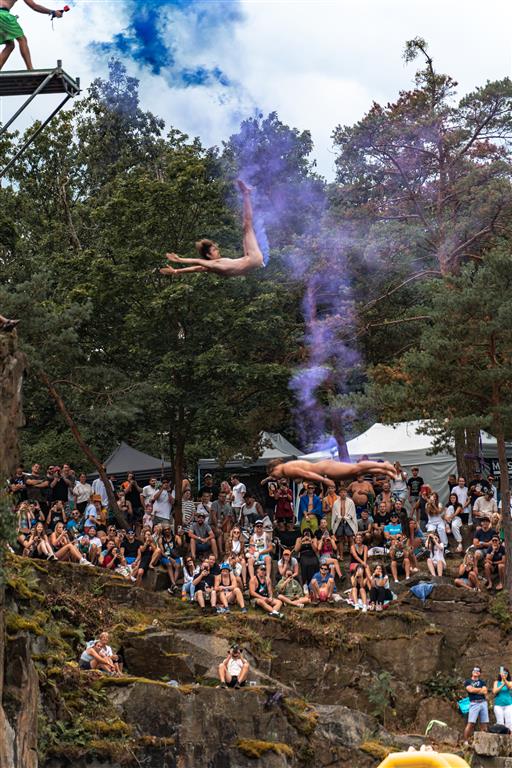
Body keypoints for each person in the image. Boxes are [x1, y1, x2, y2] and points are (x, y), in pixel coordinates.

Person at [161, 180, 264, 277]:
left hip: (249, 259)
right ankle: (246, 193)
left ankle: (246, 193)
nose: (218, 250)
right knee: (247, 225)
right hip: (253, 259)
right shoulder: (215, 265)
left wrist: (177, 271)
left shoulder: (213, 265)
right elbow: (198, 262)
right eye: (214, 250)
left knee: (245, 230)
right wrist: (179, 260)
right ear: (209, 255)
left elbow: (197, 268)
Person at [0, 0, 63, 71]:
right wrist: (53, 12)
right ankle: (30, 69)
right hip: (3, 15)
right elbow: (34, 6)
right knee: (22, 39)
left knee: (10, 45)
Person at [266, 457, 396, 486]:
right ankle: (384, 470)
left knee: (356, 468)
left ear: (275, 468)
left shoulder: (286, 469)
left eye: (273, 475)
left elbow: (306, 474)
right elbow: (304, 476)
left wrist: (324, 480)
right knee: (357, 472)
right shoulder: (287, 469)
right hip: (324, 468)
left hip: (325, 469)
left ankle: (384, 465)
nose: (275, 478)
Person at [464, 666, 489, 741]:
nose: (475, 671)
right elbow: (470, 690)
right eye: (474, 670)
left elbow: (485, 691)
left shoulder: (482, 682)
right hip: (474, 703)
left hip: (483, 703)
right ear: (472, 672)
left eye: (477, 671)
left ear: (479, 673)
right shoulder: (467, 681)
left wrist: (475, 689)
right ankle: (465, 741)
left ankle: (483, 742)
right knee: (471, 723)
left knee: (484, 724)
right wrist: (480, 689)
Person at [331, 486, 357, 556]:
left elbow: (352, 512)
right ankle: (341, 555)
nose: (343, 494)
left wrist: (346, 517)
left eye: (344, 492)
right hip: (339, 521)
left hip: (348, 521)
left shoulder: (350, 501)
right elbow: (335, 513)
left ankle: (353, 553)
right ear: (339, 493)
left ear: (346, 493)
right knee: (340, 539)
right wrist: (339, 517)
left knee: (351, 538)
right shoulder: (336, 502)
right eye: (341, 492)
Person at [493, 667, 512, 731]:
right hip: (498, 705)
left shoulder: (510, 682)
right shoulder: (496, 682)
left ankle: (510, 737)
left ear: (508, 674)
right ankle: (501, 737)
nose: (504, 674)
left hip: (508, 705)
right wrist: (502, 684)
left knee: (509, 722)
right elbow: (494, 691)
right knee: (500, 722)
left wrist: (504, 681)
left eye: (506, 673)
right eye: (503, 673)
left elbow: (509, 687)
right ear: (500, 674)